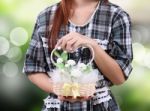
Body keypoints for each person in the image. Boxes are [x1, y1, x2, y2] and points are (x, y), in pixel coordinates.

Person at [23, 0, 133, 110]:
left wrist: (91, 44)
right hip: (57, 106)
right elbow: (33, 68)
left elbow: (119, 77)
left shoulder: (117, 16)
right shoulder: (46, 16)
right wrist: (61, 90)